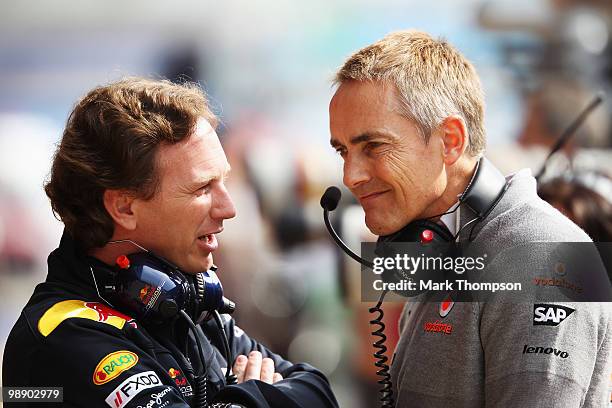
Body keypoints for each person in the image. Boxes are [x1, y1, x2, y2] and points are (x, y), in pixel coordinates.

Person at [2, 78, 339, 408]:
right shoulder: (61, 338)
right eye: (203, 189)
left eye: (223, 182)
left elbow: (317, 391)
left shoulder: (185, 305)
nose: (229, 209)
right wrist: (254, 396)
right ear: (124, 207)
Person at [328, 30, 611, 407]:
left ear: (450, 140)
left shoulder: (541, 257)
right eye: (343, 151)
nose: (351, 176)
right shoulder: (444, 242)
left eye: (373, 146)